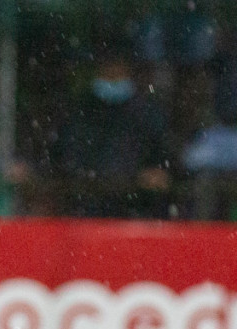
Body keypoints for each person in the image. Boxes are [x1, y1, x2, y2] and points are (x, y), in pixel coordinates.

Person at [46, 49, 173, 218]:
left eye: (117, 66)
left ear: (128, 69)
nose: (112, 72)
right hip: (85, 208)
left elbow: (163, 161)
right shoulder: (80, 109)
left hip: (136, 210)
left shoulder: (147, 112)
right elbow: (62, 156)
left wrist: (156, 174)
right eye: (107, 66)